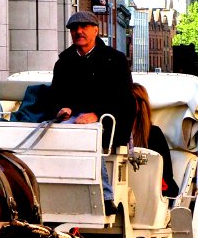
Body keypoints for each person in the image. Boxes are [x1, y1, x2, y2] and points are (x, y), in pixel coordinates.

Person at [51, 11, 135, 216]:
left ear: (96, 31)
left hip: (110, 120)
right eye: (74, 29)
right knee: (54, 133)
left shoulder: (115, 60)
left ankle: (105, 196)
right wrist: (63, 108)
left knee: (87, 133)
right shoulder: (63, 62)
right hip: (73, 120)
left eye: (84, 27)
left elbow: (122, 98)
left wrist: (96, 114)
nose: (78, 31)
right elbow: (56, 95)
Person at [131, 83, 179, 197]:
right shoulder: (116, 132)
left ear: (139, 104)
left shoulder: (154, 134)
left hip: (150, 189)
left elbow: (166, 172)